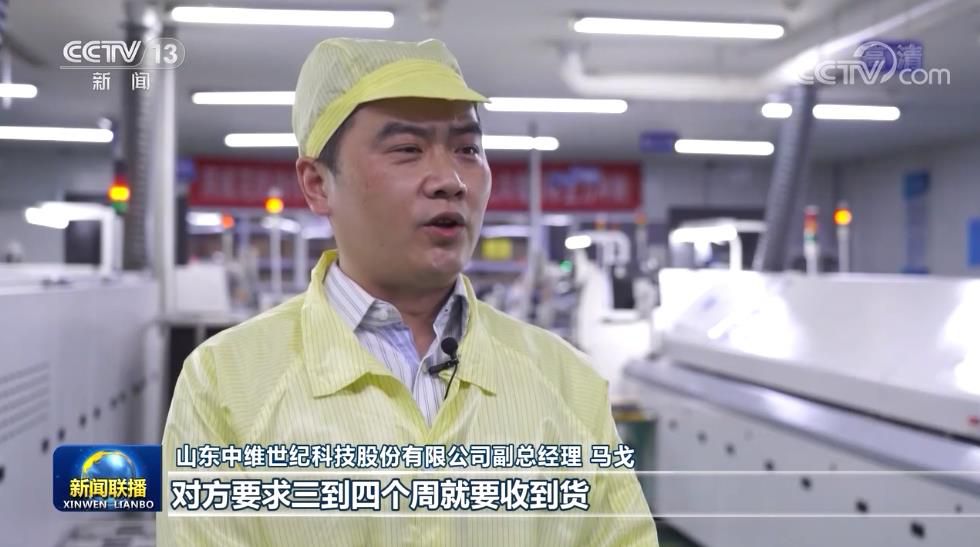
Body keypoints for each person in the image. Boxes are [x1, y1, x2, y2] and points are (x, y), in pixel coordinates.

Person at [157, 37, 658, 546]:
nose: (450, 180)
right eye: (407, 150)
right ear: (317, 183)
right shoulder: (227, 382)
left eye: (468, 149)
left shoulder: (567, 382)